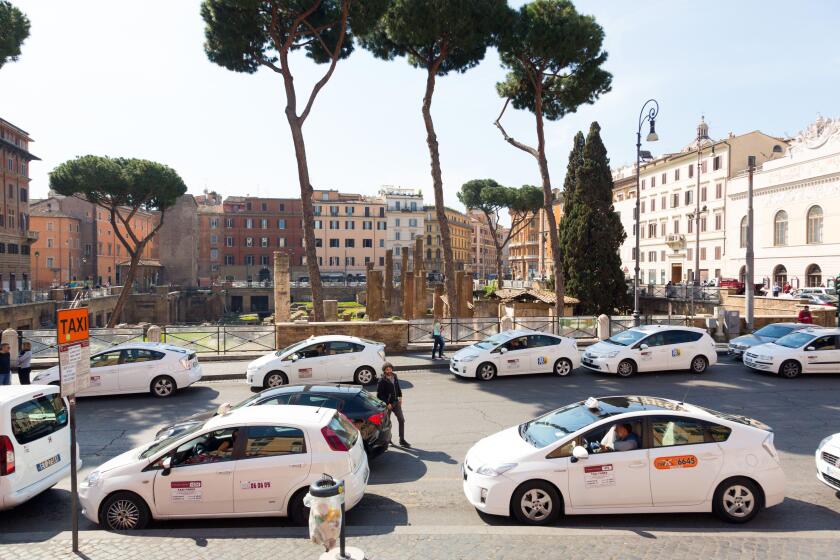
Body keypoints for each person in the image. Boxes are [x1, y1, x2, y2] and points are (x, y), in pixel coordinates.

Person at [377, 362, 409, 448]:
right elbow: (380, 395)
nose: (389, 370)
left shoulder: (394, 376)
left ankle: (401, 439)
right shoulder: (382, 380)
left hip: (396, 402)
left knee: (401, 420)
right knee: (388, 423)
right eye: (387, 369)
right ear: (384, 370)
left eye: (390, 369)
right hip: (388, 405)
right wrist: (387, 404)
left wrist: (400, 397)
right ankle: (388, 439)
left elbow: (398, 388)